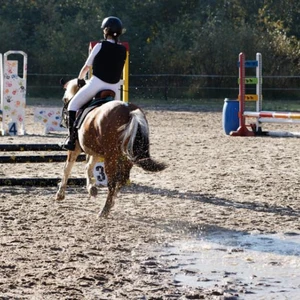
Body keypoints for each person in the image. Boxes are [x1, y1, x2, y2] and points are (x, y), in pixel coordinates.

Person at [63, 16, 127, 150]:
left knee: (72, 106)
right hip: (115, 88)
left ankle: (72, 139)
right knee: (121, 115)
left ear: (106, 31)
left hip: (96, 84)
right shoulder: (122, 50)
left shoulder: (99, 45)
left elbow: (87, 67)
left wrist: (80, 79)